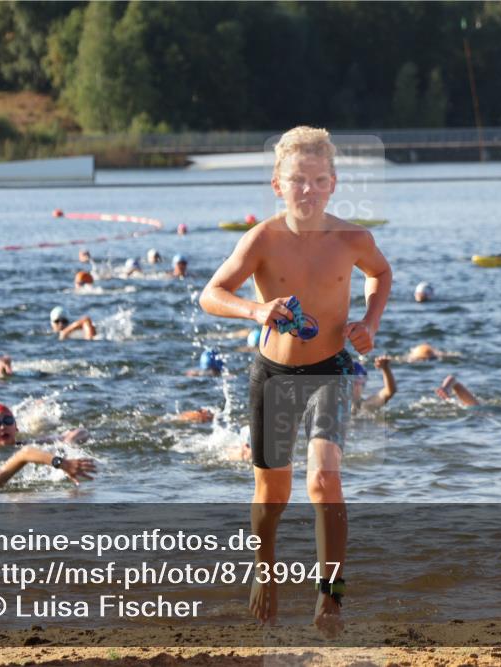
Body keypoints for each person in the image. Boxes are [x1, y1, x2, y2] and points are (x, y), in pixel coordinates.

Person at [199, 126, 392, 635]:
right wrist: (257, 308)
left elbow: (381, 275)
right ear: (277, 185)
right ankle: (265, 573)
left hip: (332, 369)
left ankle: (331, 595)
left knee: (325, 479)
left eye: (317, 180)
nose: (307, 190)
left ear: (333, 183)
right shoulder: (262, 239)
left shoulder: (353, 238)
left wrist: (369, 324)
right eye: (297, 180)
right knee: (273, 493)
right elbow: (211, 294)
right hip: (275, 374)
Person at [0, 403, 96, 491]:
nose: (3, 426)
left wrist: (65, 453)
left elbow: (25, 452)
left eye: (8, 421)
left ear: (16, 427)